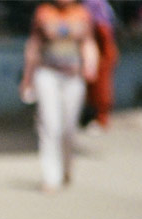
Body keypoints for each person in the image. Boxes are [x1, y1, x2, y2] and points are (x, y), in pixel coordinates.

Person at [19, 0, 99, 194]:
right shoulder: (44, 12)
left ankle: (66, 167)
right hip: (47, 74)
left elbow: (88, 42)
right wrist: (27, 77)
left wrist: (91, 65)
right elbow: (34, 45)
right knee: (50, 125)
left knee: (68, 128)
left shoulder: (82, 13)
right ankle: (50, 177)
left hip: (73, 76)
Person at [82, 0, 119, 130]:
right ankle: (91, 117)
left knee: (101, 87)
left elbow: (104, 30)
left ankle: (101, 118)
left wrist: (102, 53)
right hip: (94, 49)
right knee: (91, 88)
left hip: (101, 50)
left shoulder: (95, 3)